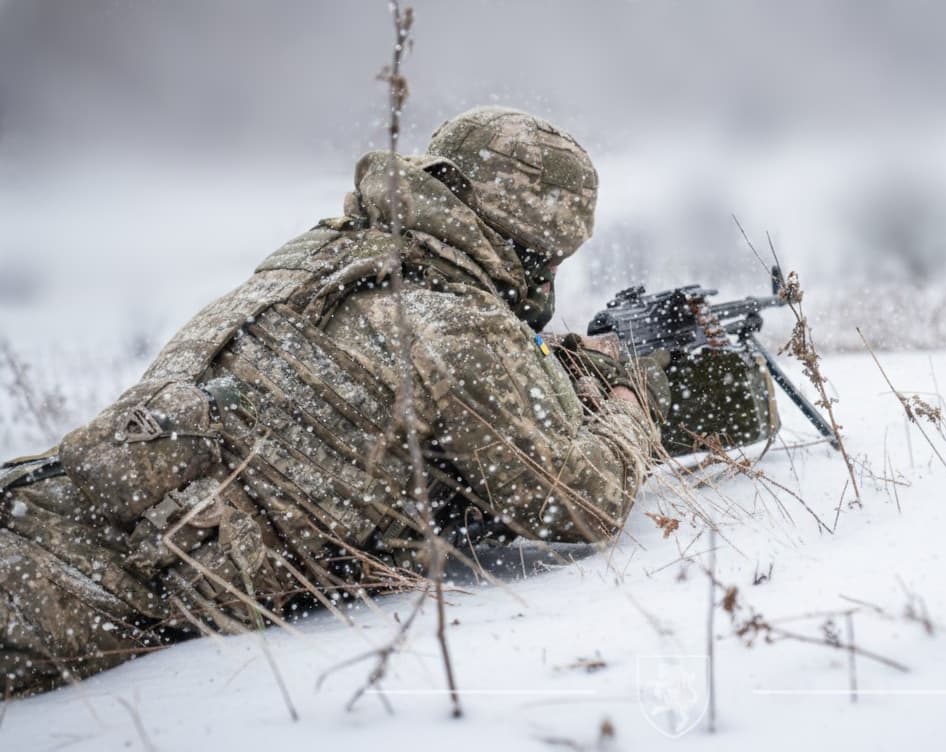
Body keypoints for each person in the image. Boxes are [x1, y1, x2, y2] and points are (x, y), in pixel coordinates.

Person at [0, 106, 668, 697]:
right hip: (79, 587)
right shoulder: (456, 324)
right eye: (553, 255)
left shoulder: (322, 251)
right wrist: (627, 401)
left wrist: (551, 364)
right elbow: (583, 501)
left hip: (45, 498)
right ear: (527, 239)